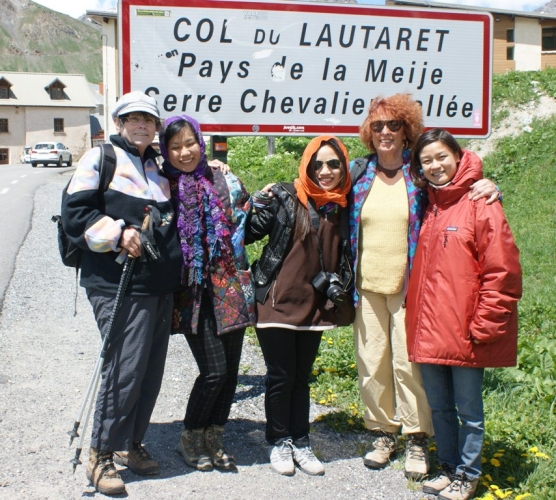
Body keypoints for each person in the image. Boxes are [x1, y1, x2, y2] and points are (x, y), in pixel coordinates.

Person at [348, 94, 500, 478]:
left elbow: (458, 185)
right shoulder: (358, 172)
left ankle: (417, 437)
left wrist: (488, 183)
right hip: (366, 286)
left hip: (410, 286)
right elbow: (320, 184)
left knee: (408, 364)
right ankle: (383, 432)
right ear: (370, 131)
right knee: (371, 363)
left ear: (407, 131)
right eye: (378, 125)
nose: (385, 132)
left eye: (394, 125)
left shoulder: (418, 176)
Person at [62, 91, 183, 495]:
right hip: (117, 284)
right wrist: (118, 234)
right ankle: (100, 453)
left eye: (148, 120)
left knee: (149, 372)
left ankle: (131, 443)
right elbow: (75, 216)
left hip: (158, 286)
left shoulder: (159, 168)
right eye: (133, 119)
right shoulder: (101, 159)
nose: (142, 125)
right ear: (119, 123)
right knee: (125, 367)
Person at [406, 129, 522, 500]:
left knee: (469, 410)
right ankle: (450, 467)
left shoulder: (481, 202)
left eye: (441, 157)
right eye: (427, 161)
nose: (436, 166)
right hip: (430, 327)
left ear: (457, 155)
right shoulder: (430, 203)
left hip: (466, 328)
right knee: (439, 406)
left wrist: (487, 322)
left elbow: (502, 270)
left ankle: (469, 475)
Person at [246, 135, 353, 477]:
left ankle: (301, 442)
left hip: (316, 304)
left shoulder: (345, 203)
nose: (325, 171)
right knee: (280, 376)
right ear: (306, 164)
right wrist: (255, 202)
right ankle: (279, 441)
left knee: (301, 379)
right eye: (317, 164)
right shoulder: (285, 196)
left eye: (334, 164)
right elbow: (247, 232)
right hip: (277, 302)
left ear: (344, 168)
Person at [158, 114, 255, 472]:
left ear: (201, 142)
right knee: (213, 370)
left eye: (190, 143)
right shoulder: (160, 183)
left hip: (229, 284)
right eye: (175, 146)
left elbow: (246, 217)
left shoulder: (222, 176)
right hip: (191, 292)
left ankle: (214, 435)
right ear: (165, 151)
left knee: (229, 372)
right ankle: (191, 434)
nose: (184, 152)